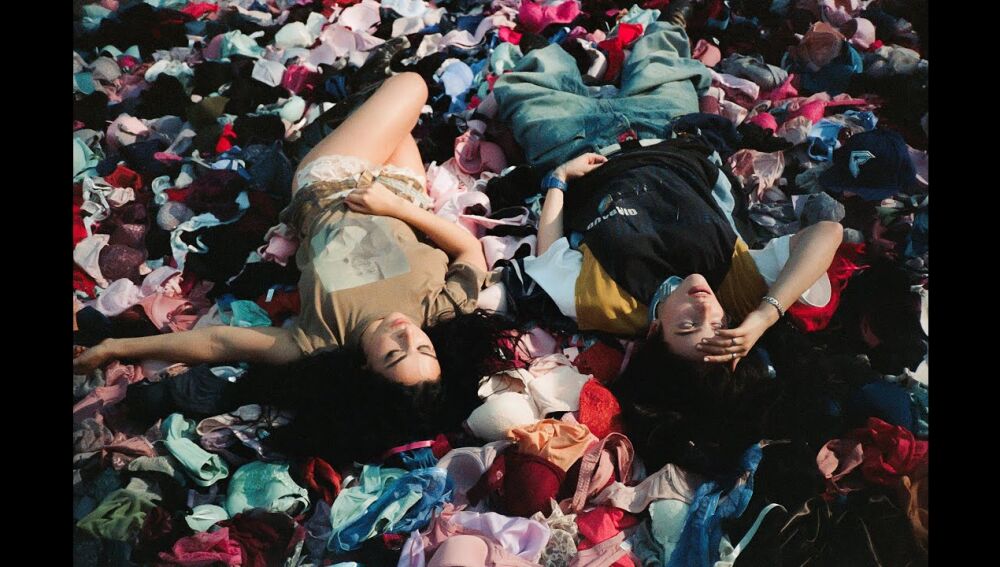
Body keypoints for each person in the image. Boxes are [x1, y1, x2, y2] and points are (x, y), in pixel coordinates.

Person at [73, 73, 515, 462]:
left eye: (394, 353)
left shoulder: (320, 339)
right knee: (402, 110)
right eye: (424, 349)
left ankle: (328, 131)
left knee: (410, 85)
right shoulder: (439, 312)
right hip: (403, 195)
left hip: (330, 186)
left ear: (365, 368)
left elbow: (219, 342)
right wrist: (399, 208)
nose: (407, 334)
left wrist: (116, 346)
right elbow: (467, 250)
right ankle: (339, 121)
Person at [491, 13, 843, 368]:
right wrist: (765, 316)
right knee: (662, 48)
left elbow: (550, 257)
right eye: (718, 324)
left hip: (577, 144)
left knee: (522, 85)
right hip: (662, 129)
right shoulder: (736, 286)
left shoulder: (609, 305)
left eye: (688, 325)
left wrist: (559, 179)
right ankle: (673, 15)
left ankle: (548, 48)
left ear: (655, 330)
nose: (704, 308)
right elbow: (827, 232)